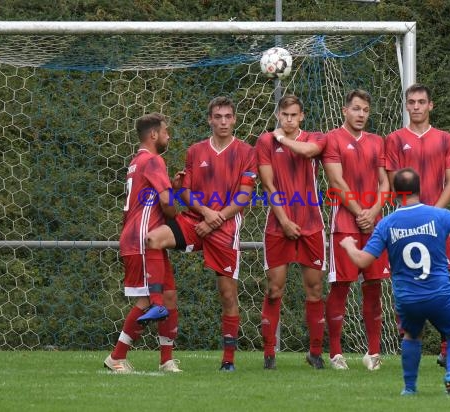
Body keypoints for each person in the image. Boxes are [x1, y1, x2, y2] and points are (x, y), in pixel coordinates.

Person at [340, 167, 450, 396]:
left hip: (408, 298)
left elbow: (362, 260)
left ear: (396, 194)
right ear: (420, 189)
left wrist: (349, 245)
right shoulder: (440, 215)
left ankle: (409, 388)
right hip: (441, 293)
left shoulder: (387, 224)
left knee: (411, 336)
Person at [145, 97, 257, 372]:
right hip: (195, 220)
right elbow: (184, 190)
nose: (222, 121)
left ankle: (228, 361)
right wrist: (206, 212)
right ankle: (160, 302)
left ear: (234, 119)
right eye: (217, 116)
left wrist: (216, 218)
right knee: (153, 239)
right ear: (209, 119)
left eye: (227, 116)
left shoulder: (246, 151)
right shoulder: (196, 151)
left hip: (226, 228)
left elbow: (245, 195)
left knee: (228, 295)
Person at [385, 83, 450, 367]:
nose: (416, 106)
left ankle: (445, 348)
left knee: (441, 282)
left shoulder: (445, 139)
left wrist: (434, 216)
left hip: (437, 223)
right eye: (411, 102)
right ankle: (409, 338)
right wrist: (413, 214)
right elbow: (395, 183)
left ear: (431, 105)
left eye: (421, 102)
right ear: (406, 106)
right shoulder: (394, 139)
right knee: (404, 281)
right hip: (404, 224)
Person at [104, 112, 183, 373]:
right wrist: (177, 206)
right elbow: (167, 205)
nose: (168, 135)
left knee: (168, 297)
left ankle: (166, 360)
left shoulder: (137, 161)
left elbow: (150, 198)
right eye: (165, 130)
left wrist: (171, 187)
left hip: (145, 239)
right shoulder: (153, 160)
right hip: (144, 240)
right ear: (153, 135)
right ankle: (116, 357)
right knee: (149, 301)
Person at [255, 94, 327, 370]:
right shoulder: (264, 142)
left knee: (315, 289)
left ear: (302, 116)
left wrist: (282, 139)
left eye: (294, 115)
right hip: (278, 225)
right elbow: (268, 185)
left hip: (311, 224)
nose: (289, 119)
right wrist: (283, 219)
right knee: (274, 289)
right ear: (277, 115)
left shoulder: (316, 138)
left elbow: (309, 152)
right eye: (284, 115)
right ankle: (269, 354)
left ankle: (316, 353)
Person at [322, 89, 390, 371]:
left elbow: (385, 184)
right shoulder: (333, 139)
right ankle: (336, 353)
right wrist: (360, 213)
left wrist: (373, 213)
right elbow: (336, 181)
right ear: (344, 110)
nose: (361, 114)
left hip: (374, 225)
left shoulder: (378, 142)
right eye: (356, 109)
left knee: (374, 288)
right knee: (340, 288)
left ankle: (372, 353)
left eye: (365, 110)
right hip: (345, 225)